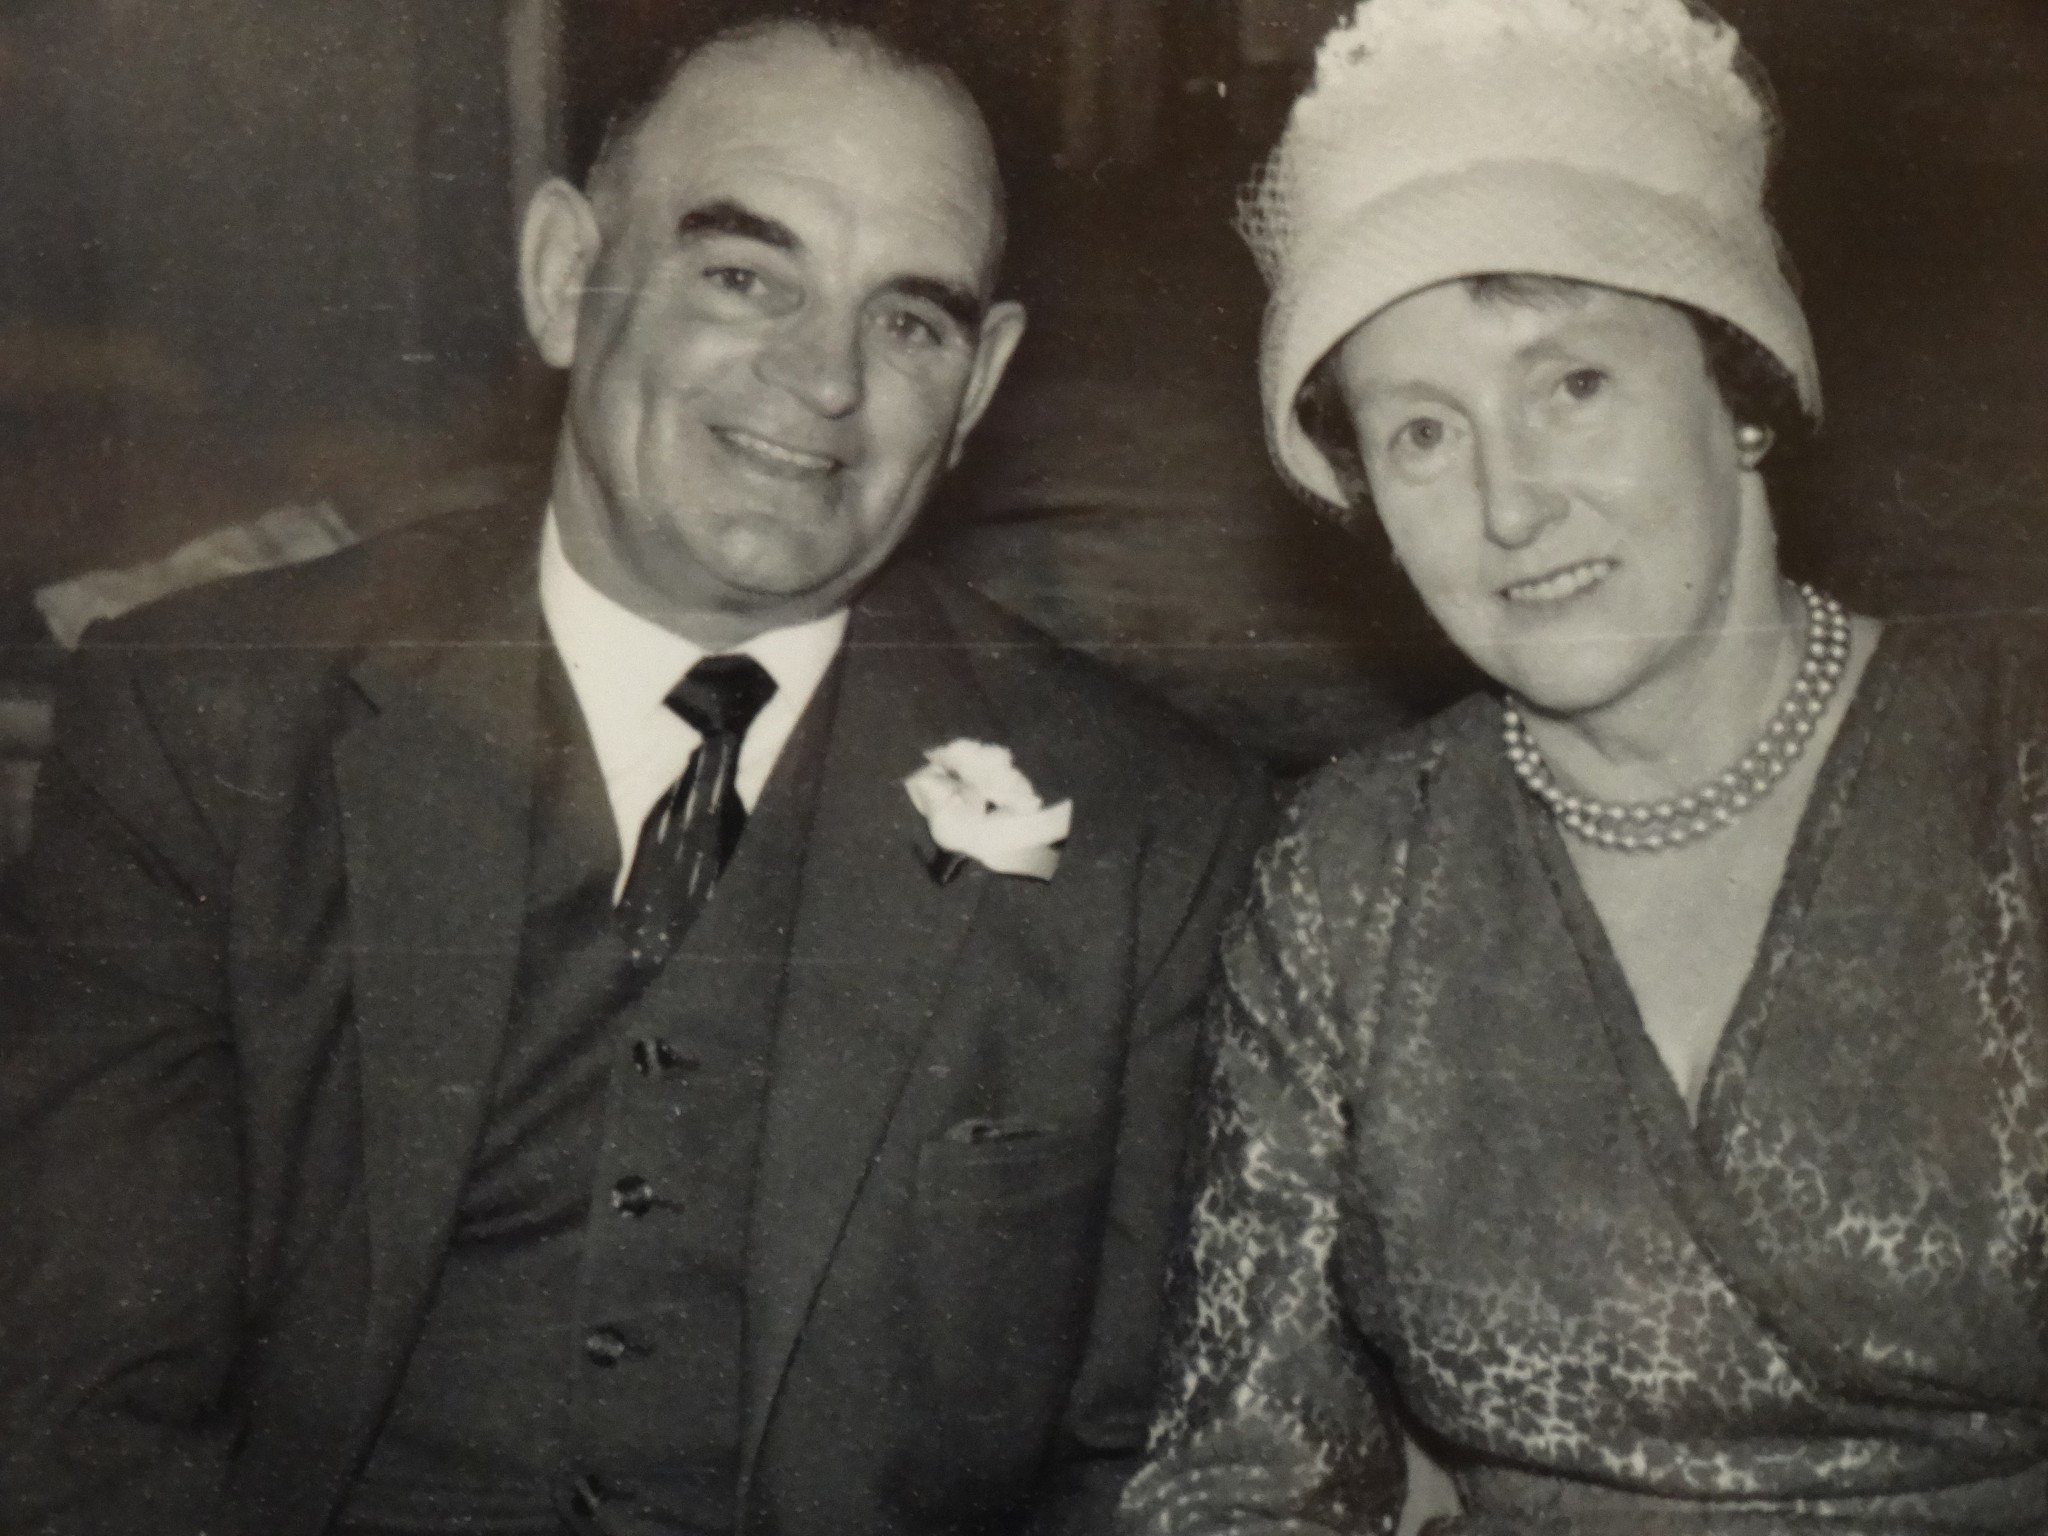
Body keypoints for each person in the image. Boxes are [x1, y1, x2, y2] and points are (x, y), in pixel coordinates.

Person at [0, 10, 1272, 1536]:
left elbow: (1134, 1470)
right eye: (744, 276)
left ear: (981, 382)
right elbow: (84, 1414)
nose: (824, 380)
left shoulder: (1153, 828)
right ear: (564, 276)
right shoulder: (206, 721)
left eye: (909, 323)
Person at [1120, 0, 2048, 1531]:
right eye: (1423, 434)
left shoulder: (2011, 785)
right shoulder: (1351, 878)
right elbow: (1249, 1472)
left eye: (1573, 386)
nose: (1510, 505)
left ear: (1739, 389)